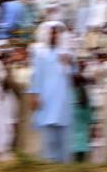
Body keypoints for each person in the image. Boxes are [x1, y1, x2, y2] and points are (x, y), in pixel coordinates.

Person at [28, 21, 74, 163]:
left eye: (57, 32)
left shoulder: (67, 53)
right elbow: (37, 76)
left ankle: (64, 163)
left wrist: (68, 63)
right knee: (48, 133)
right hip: (46, 98)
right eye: (52, 32)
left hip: (63, 98)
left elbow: (74, 75)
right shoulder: (40, 54)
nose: (54, 35)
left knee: (63, 132)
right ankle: (49, 163)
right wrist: (34, 95)